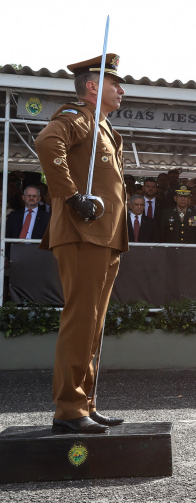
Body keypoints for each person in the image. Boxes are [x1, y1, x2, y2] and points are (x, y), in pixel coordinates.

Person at [34, 53, 129, 433]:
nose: (121, 90)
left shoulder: (104, 128)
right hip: (82, 234)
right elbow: (46, 144)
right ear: (92, 87)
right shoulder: (77, 118)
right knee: (81, 319)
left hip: (104, 237)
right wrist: (72, 196)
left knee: (94, 323)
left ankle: (85, 402)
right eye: (114, 83)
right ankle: (70, 409)